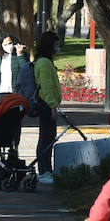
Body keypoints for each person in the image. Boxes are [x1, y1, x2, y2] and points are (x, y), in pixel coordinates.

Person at [33, 31, 62, 184]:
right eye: (56, 45)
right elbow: (46, 87)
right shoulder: (44, 63)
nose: (57, 48)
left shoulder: (45, 61)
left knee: (49, 137)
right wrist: (52, 106)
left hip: (48, 104)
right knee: (46, 138)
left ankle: (47, 169)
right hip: (45, 104)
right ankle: (43, 171)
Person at [0, 33, 37, 106]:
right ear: (1, 46)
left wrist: (20, 55)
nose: (9, 46)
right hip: (1, 92)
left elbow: (26, 71)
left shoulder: (21, 54)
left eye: (10, 43)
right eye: (5, 45)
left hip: (15, 93)